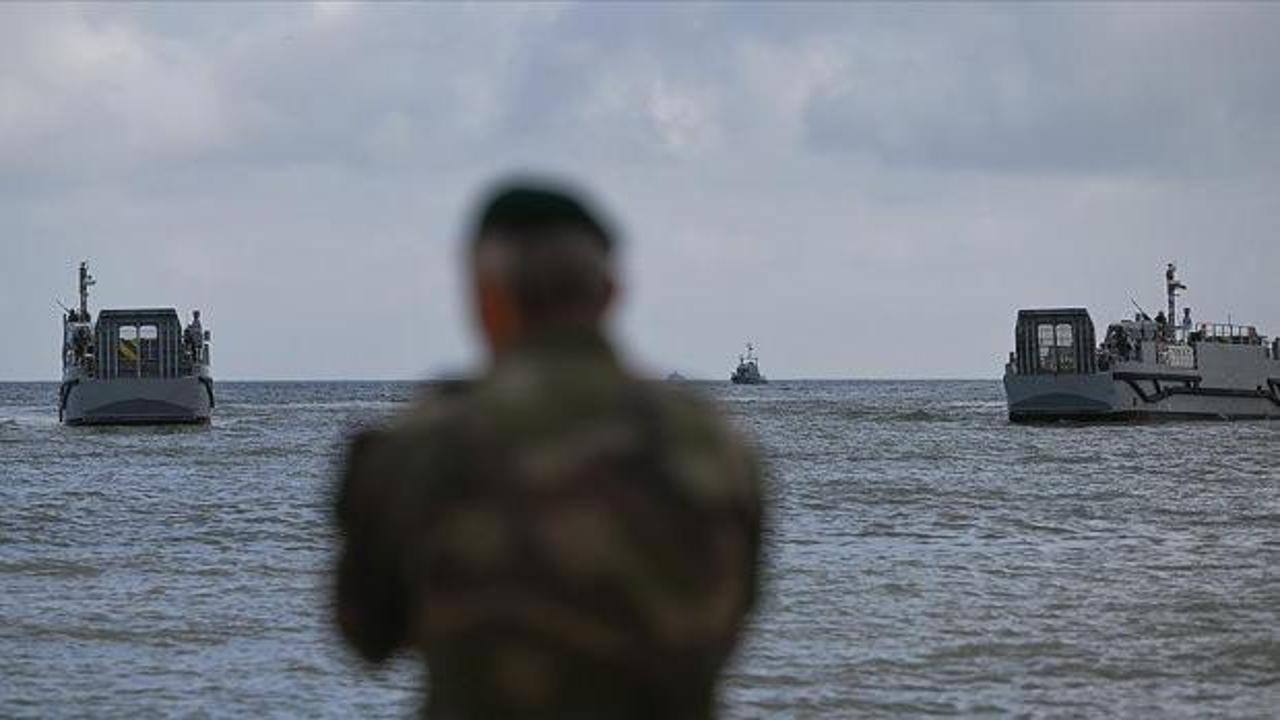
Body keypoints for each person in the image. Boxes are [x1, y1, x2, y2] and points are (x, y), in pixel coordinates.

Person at [332, 179, 765, 719]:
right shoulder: (714, 446)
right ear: (610, 294)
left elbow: (366, 633)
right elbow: (731, 623)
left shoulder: (426, 444)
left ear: (487, 298)